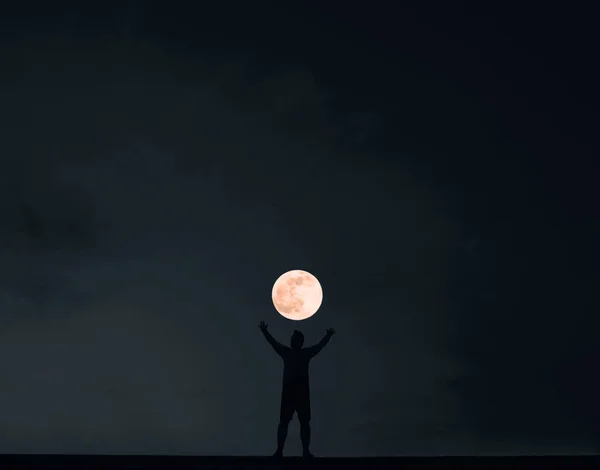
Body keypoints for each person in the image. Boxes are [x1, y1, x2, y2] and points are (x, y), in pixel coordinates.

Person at [259, 320, 335, 458]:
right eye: (292, 338)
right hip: (289, 391)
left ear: (299, 342)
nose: (291, 340)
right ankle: (279, 450)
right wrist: (265, 332)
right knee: (284, 422)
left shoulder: (305, 354)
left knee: (304, 422)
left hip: (302, 392)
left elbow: (319, 346)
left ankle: (305, 450)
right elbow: (273, 343)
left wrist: (328, 336)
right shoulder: (286, 352)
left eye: (294, 339)